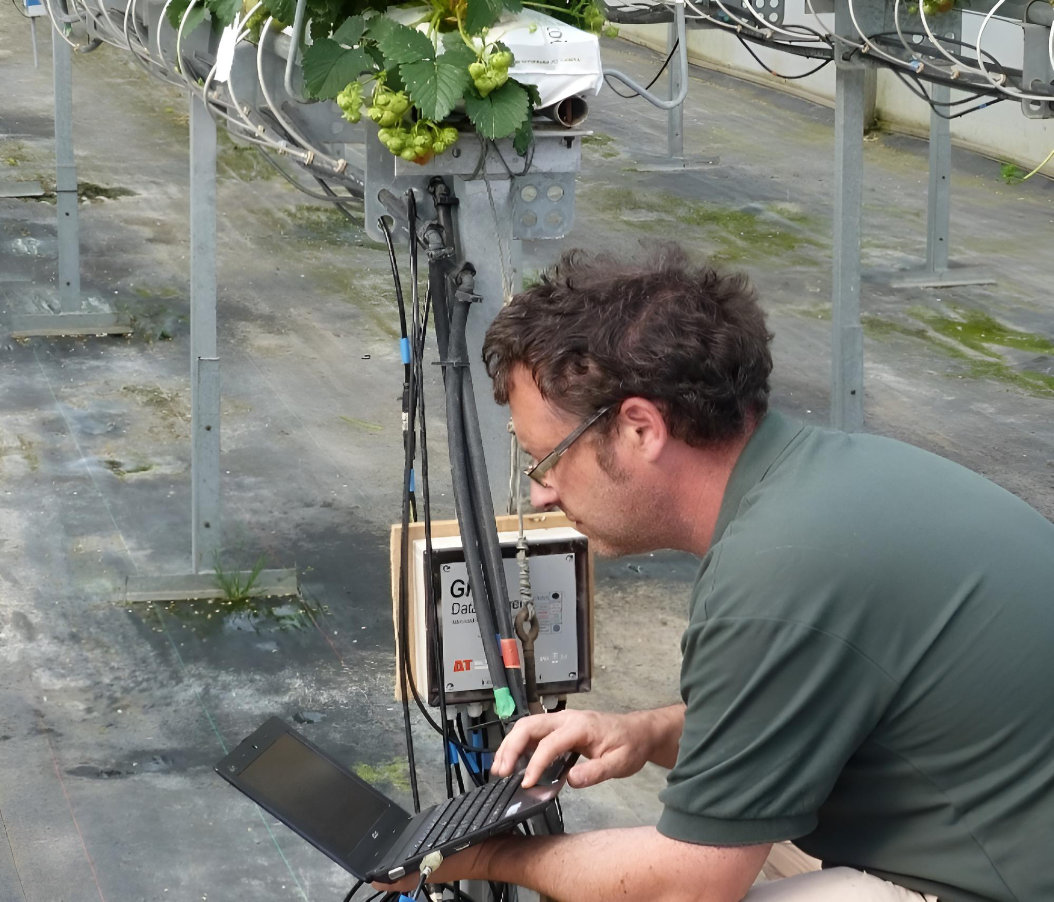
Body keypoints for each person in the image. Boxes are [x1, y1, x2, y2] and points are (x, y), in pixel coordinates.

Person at [382, 245, 1054, 901]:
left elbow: (688, 884)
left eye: (546, 458)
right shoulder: (830, 477)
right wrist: (644, 734)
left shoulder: (776, 573)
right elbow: (792, 707)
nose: (542, 494)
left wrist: (483, 853)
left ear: (641, 427)